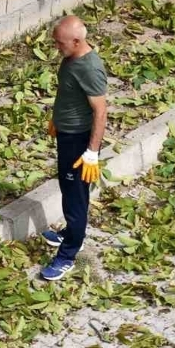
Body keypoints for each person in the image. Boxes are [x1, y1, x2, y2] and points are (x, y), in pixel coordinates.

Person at [39, 15, 109, 281]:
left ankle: (68, 254)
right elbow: (69, 94)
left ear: (77, 41)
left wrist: (91, 153)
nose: (57, 47)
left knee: (75, 199)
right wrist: (57, 119)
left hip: (80, 141)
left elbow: (100, 113)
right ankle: (70, 234)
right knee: (69, 189)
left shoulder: (90, 69)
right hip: (67, 133)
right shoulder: (72, 58)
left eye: (60, 43)